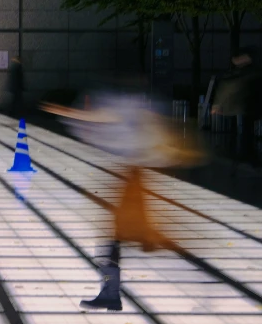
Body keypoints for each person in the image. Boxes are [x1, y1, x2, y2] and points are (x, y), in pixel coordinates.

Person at [41, 80, 203, 312]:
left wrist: (67, 112)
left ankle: (112, 293)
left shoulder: (122, 106)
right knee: (119, 237)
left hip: (136, 177)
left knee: (123, 237)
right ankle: (111, 293)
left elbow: (105, 119)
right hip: (134, 175)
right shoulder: (135, 107)